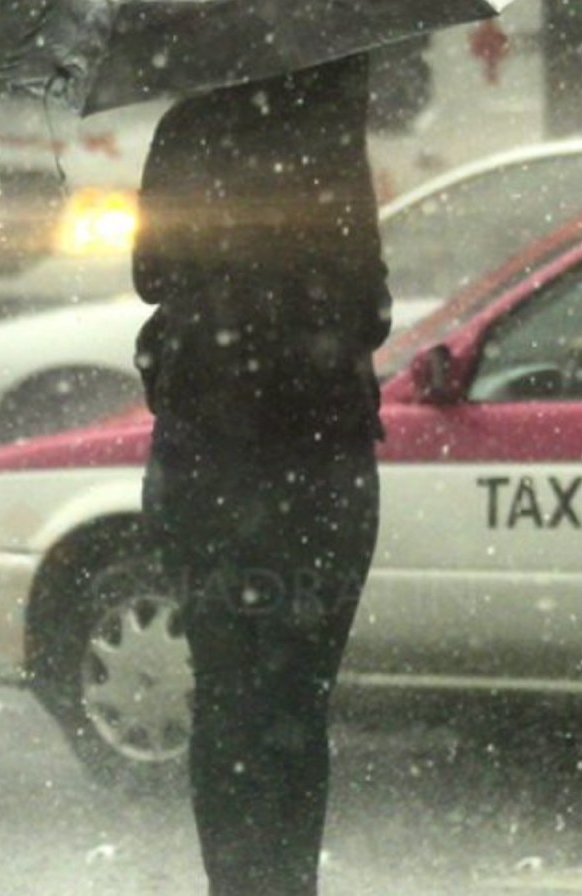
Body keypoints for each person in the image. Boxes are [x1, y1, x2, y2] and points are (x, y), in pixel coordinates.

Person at [133, 51, 391, 896]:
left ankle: (235, 883)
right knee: (296, 698)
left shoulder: (189, 125)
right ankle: (288, 882)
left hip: (208, 457)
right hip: (319, 462)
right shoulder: (328, 132)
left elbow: (149, 276)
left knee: (226, 695)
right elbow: (370, 307)